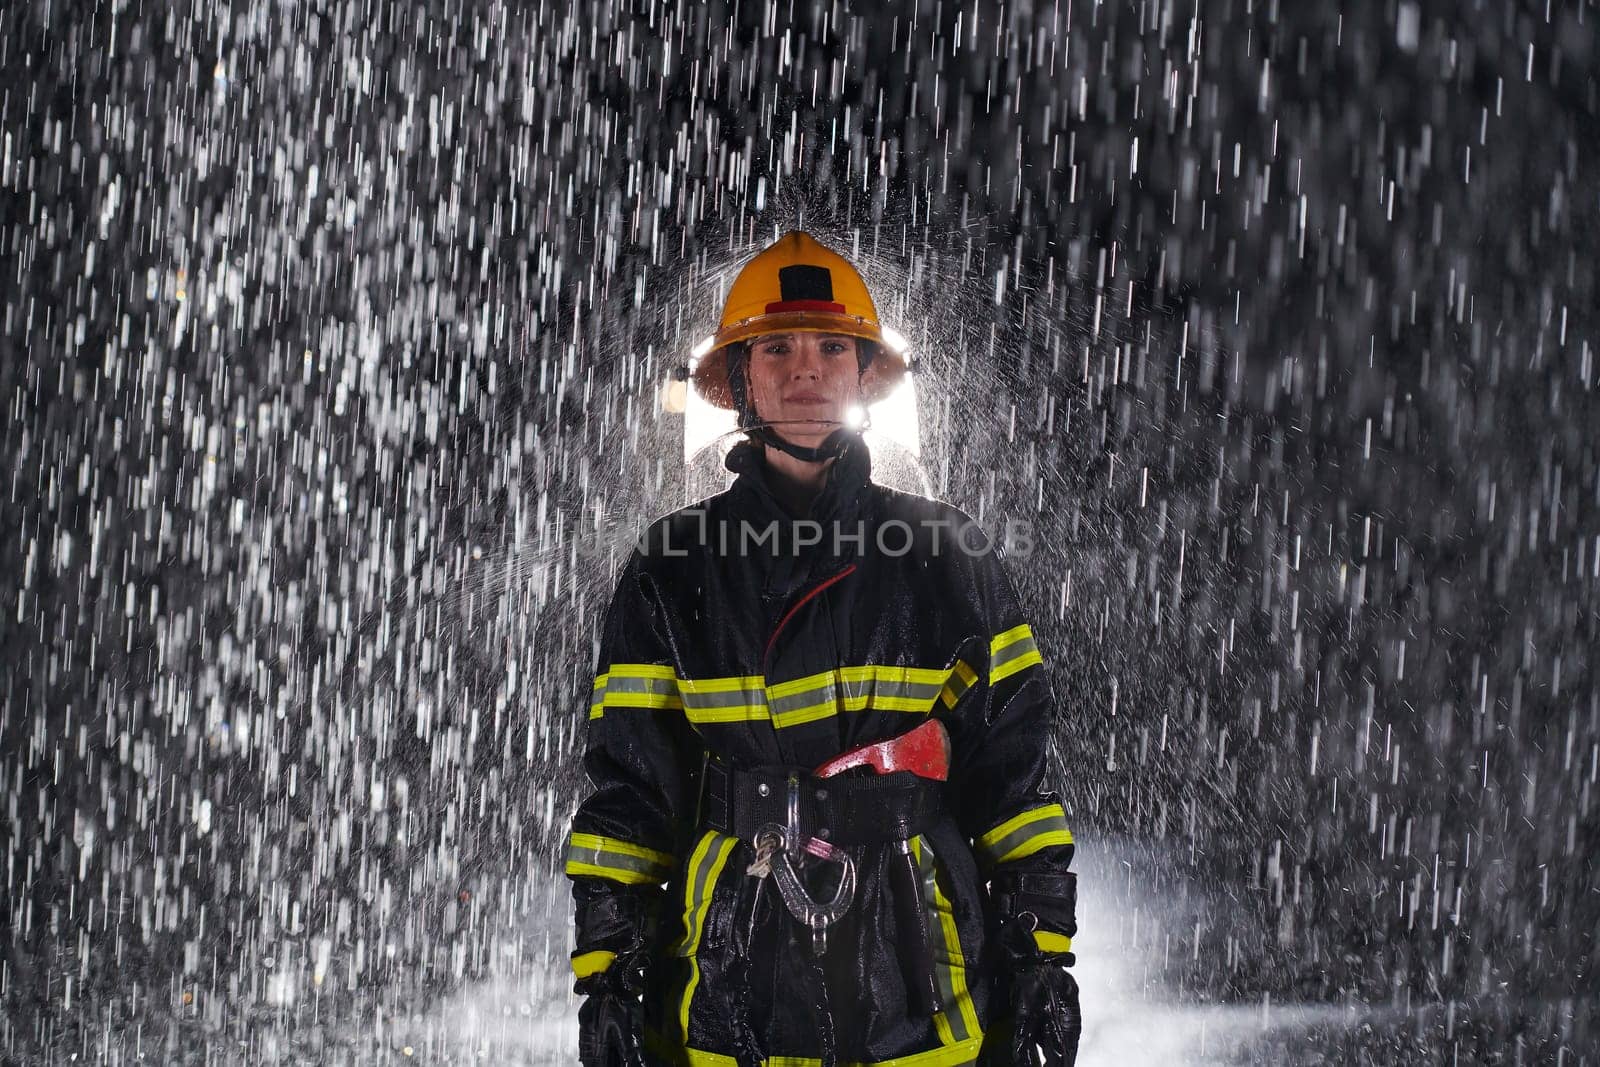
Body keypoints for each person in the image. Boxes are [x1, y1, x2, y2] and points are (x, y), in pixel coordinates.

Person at [563, 231, 1082, 1066]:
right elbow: (629, 797)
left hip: (922, 970)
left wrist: (1041, 960)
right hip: (735, 972)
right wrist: (610, 976)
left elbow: (1014, 782)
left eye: (830, 347)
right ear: (740, 379)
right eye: (776, 348)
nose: (805, 369)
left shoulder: (949, 555)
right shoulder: (672, 565)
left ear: (861, 374)